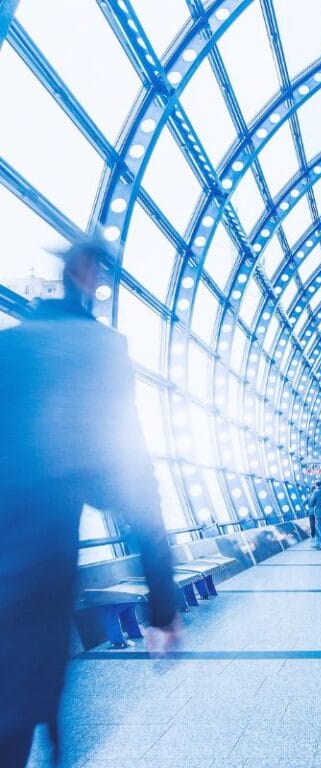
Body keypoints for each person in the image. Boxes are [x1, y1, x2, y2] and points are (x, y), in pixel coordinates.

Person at [0, 239, 181, 767]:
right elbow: (129, 477)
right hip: (39, 577)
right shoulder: (97, 351)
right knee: (34, 713)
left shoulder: (11, 347)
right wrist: (163, 602)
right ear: (87, 273)